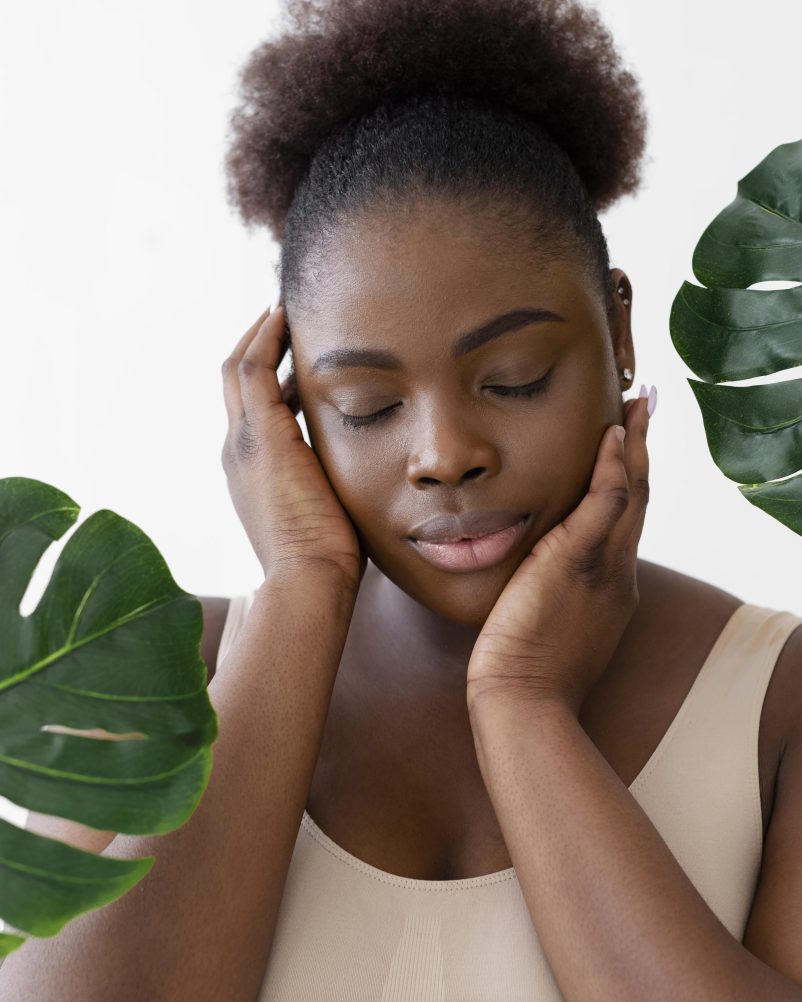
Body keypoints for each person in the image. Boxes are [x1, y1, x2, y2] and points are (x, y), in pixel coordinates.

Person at [4, 0, 802, 999]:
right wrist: (301, 589)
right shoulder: (137, 677)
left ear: (617, 329)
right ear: (288, 408)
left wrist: (522, 705)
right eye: (369, 405)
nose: (445, 454)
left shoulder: (779, 697)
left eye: (512, 377)